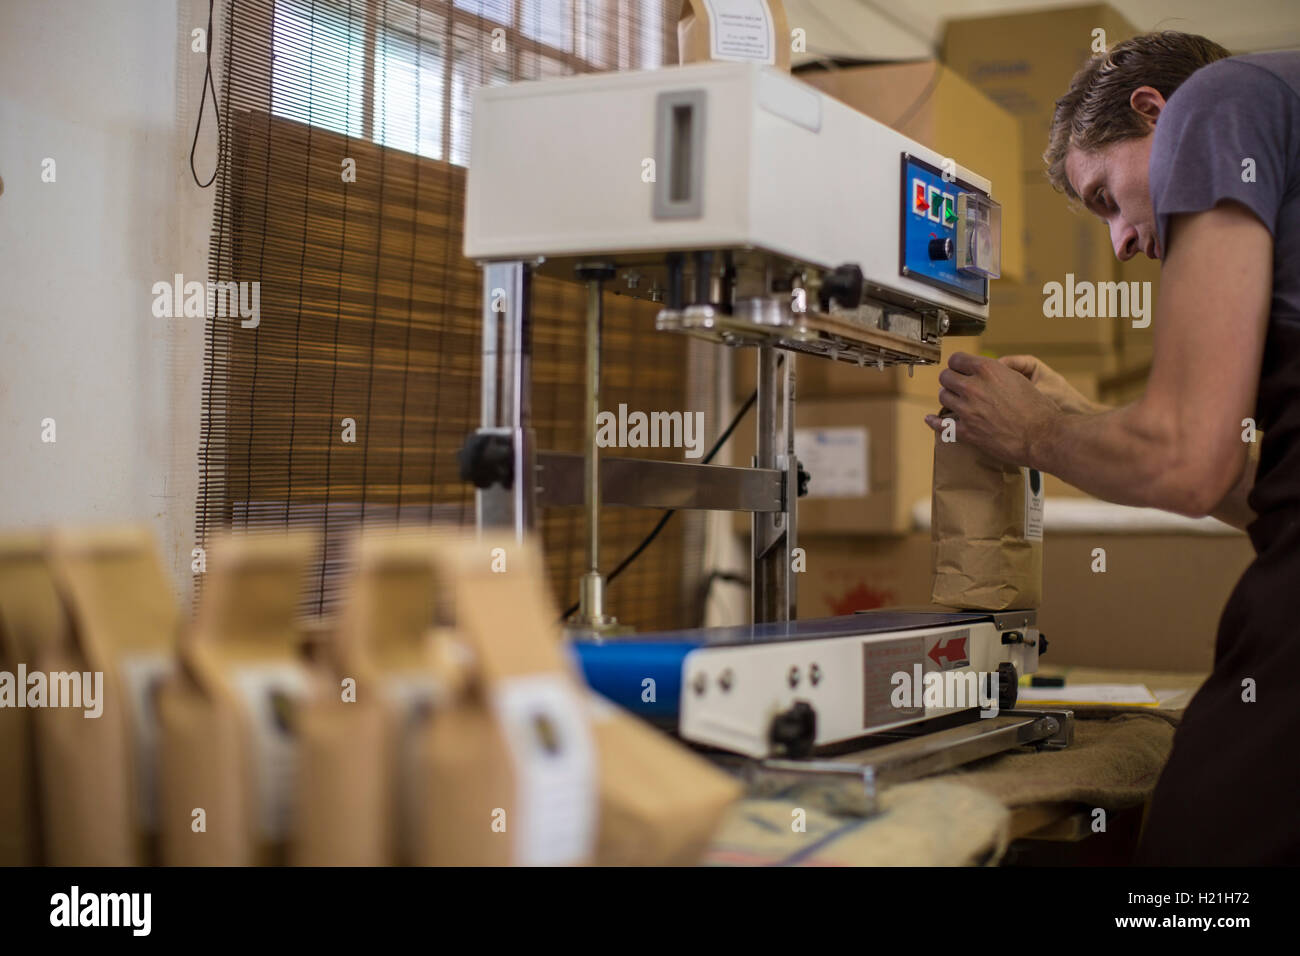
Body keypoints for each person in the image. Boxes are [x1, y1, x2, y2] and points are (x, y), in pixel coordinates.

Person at [923, 32, 1300, 865]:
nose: (1122, 244)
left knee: (1195, 861)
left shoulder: (1221, 100)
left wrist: (1035, 433)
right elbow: (1247, 485)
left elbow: (1182, 462)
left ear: (1156, 110)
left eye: (1104, 197)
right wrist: (1088, 416)